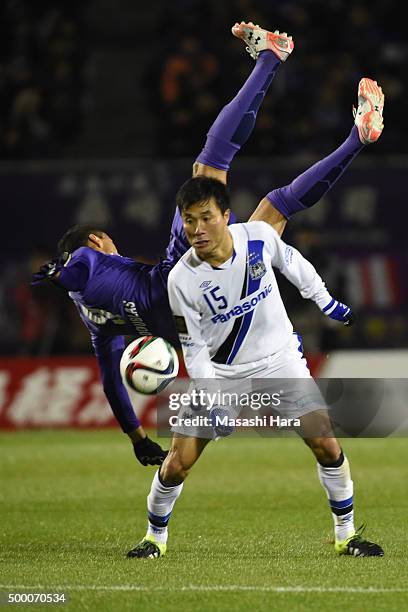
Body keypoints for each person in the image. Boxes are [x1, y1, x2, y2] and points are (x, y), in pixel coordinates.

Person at [31, 23, 384, 470]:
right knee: (211, 162)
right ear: (96, 241)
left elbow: (110, 383)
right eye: (101, 240)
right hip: (188, 267)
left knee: (275, 209)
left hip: (207, 310)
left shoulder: (100, 327)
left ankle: (356, 137)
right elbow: (79, 267)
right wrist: (60, 270)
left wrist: (137, 437)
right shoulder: (89, 262)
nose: (107, 241)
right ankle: (270, 61)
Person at [125, 25, 385, 557]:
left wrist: (326, 301)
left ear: (223, 216)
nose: (195, 227)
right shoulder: (182, 277)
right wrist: (211, 393)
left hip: (277, 361)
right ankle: (153, 538)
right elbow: (191, 345)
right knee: (179, 461)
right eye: (189, 219)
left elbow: (291, 260)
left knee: (325, 442)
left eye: (204, 218)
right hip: (217, 372)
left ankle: (347, 536)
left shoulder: (253, 238)